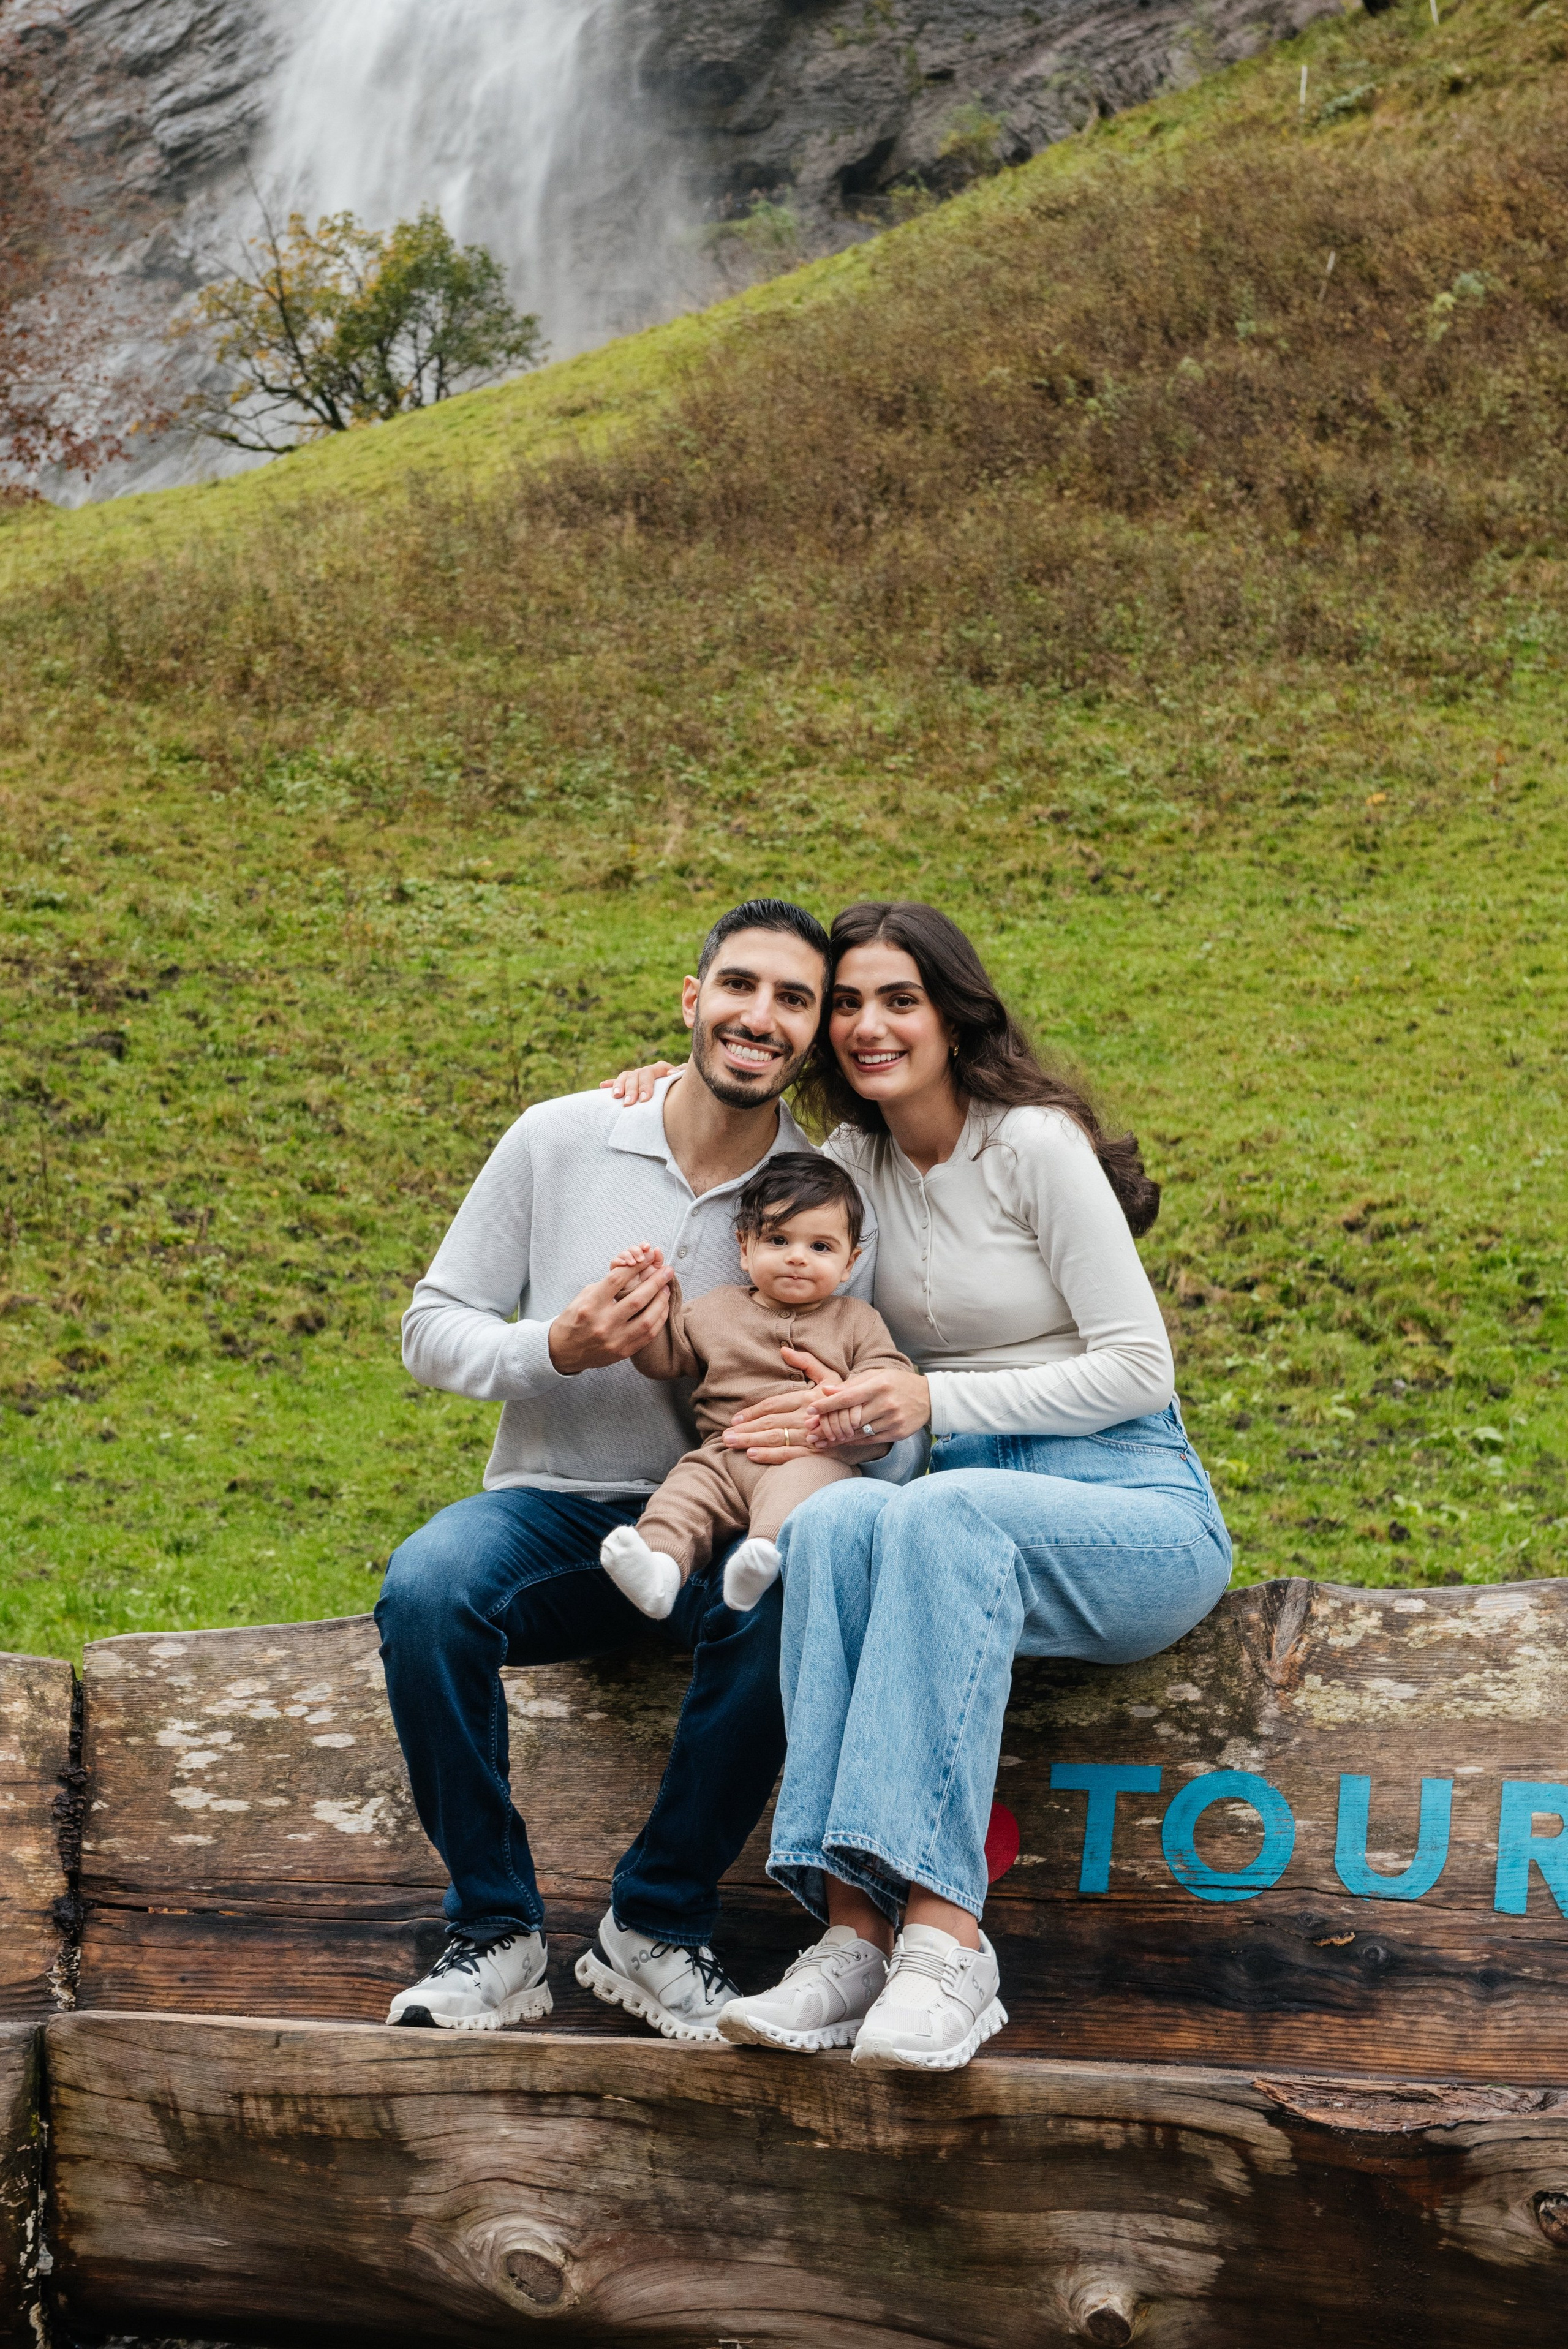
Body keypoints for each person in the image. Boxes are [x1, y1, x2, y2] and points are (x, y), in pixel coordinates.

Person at [605, 900, 1232, 2072]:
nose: (866, 1025)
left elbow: (1142, 1364)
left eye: (899, 999)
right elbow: (747, 1183)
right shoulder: (852, 1167)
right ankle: (852, 1937)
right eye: (845, 1003)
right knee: (838, 1522)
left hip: (1131, 1509)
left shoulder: (1032, 1144)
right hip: (958, 1525)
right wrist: (659, 1086)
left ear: (954, 1015)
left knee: (934, 1508)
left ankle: (948, 1944)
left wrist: (937, 1404)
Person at [376, 899, 885, 2043]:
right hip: (557, 1517)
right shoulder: (561, 1136)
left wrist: (829, 1428)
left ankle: (655, 1923)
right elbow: (430, 1328)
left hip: (735, 1523)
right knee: (426, 1587)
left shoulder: (830, 1188)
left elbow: (878, 1371)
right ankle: (495, 1934)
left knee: (794, 1592)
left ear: (814, 1035)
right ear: (692, 998)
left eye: (794, 999)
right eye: (740, 986)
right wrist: (553, 1346)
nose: (761, 1016)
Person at [600, 1154, 913, 1621]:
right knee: (683, 1493)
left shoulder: (856, 1320)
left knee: (807, 1488)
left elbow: (886, 1375)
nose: (797, 1256)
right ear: (745, 1248)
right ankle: (660, 1569)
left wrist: (852, 1397)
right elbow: (664, 1355)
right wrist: (642, 1294)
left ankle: (763, 1553)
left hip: (814, 1455)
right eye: (779, 1239)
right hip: (723, 1456)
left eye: (821, 1247)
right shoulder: (714, 1310)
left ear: (850, 1264)